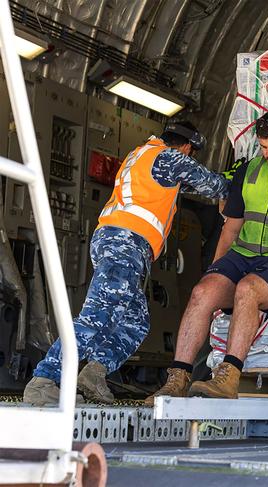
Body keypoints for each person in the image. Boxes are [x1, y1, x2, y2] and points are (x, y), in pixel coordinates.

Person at [145, 108, 268, 405]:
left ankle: (228, 376)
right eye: (264, 147)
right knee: (202, 292)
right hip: (245, 253)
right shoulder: (249, 172)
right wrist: (215, 271)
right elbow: (230, 229)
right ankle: (177, 379)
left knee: (247, 289)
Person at [23, 121, 231, 406]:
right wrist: (236, 186)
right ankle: (44, 379)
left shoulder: (144, 155)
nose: (189, 158)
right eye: (190, 154)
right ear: (186, 147)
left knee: (135, 322)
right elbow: (211, 183)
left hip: (120, 243)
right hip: (125, 243)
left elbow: (179, 188)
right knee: (97, 315)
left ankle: (93, 374)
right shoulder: (167, 158)